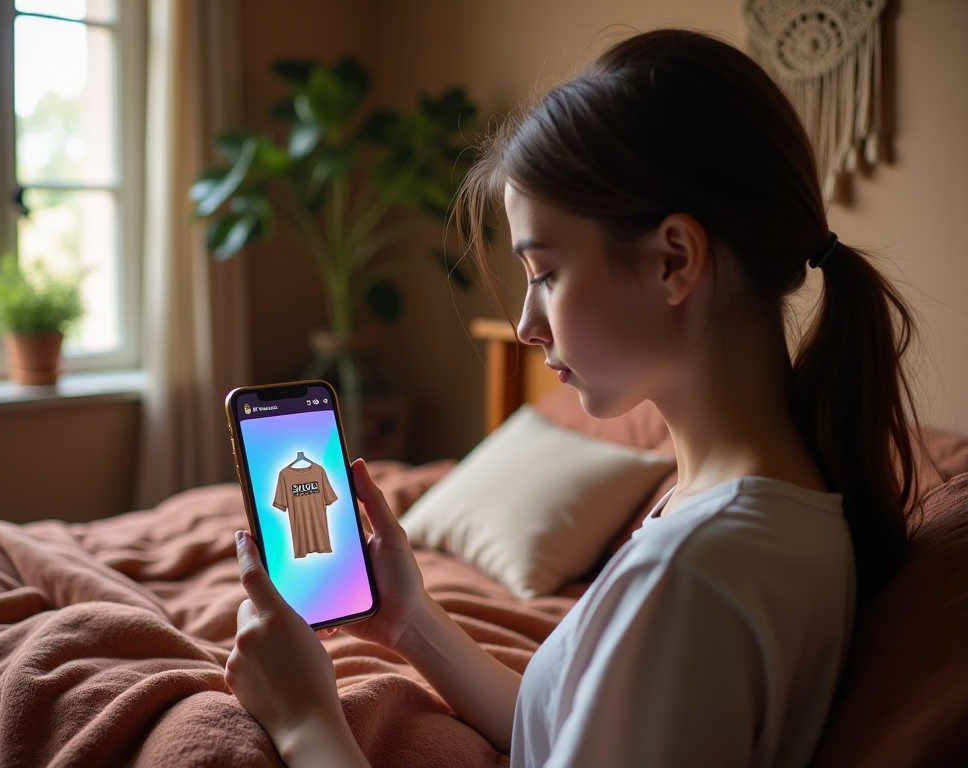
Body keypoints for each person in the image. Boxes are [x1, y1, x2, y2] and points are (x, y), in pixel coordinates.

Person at [224, 29, 921, 767]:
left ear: (673, 261)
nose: (526, 325)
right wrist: (408, 623)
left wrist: (306, 721)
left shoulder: (694, 576)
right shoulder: (755, 507)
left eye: (545, 273)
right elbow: (560, 727)